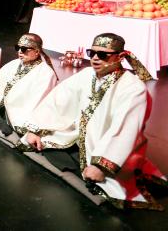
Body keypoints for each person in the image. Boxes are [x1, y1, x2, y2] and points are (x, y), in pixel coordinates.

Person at [20, 33, 166, 210]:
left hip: (110, 150)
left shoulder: (133, 89)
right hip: (78, 136)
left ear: (120, 57)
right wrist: (36, 128)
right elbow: (59, 99)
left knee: (107, 184)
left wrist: (100, 165)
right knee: (40, 146)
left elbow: (124, 130)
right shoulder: (87, 75)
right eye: (92, 53)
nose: (95, 58)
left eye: (103, 54)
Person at [0, 33, 57, 136]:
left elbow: (38, 100)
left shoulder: (46, 73)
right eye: (18, 48)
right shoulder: (14, 63)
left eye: (24, 49)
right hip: (2, 104)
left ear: (37, 51)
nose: (20, 52)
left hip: (20, 109)